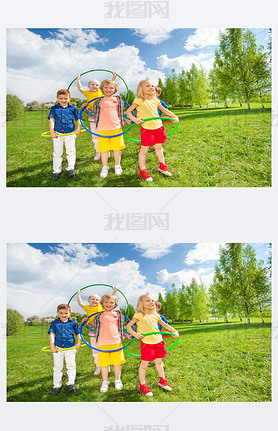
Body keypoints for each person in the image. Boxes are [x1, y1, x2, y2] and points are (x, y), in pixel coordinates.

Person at [125, 79, 179, 182]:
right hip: (147, 129)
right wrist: (135, 120)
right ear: (141, 89)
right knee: (144, 151)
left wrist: (174, 116)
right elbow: (128, 112)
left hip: (159, 127)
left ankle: (162, 166)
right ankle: (143, 171)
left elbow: (164, 110)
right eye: (147, 86)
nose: (151, 87)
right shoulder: (139, 100)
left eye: (152, 86)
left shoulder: (156, 100)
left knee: (158, 148)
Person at [125, 294, 179, 397]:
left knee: (159, 362)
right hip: (147, 344)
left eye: (152, 300)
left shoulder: (156, 315)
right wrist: (135, 334)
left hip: (159, 342)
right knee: (144, 365)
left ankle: (162, 381)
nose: (151, 302)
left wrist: (174, 331)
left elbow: (165, 325)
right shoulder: (139, 315)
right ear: (141, 304)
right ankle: (143, 385)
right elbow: (128, 326)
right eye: (148, 300)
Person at [85, 79, 132, 179]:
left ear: (115, 89)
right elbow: (94, 114)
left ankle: (117, 165)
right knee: (104, 149)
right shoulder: (98, 101)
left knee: (117, 148)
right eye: (106, 87)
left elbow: (122, 113)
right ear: (102, 89)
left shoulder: (118, 100)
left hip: (116, 128)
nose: (108, 89)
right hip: (102, 129)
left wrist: (127, 120)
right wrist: (85, 109)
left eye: (111, 87)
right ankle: (105, 166)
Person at [85, 292, 132, 393]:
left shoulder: (118, 315)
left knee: (117, 363)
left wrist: (127, 335)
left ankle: (117, 380)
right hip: (102, 344)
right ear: (102, 304)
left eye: (111, 302)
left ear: (115, 304)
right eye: (106, 302)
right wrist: (85, 323)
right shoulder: (98, 316)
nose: (109, 304)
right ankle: (105, 381)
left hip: (116, 342)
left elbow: (122, 328)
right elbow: (94, 327)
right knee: (104, 364)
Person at [77, 286, 116, 375]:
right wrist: (78, 294)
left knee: (105, 347)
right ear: (89, 300)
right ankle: (98, 366)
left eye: (97, 300)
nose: (95, 301)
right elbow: (80, 303)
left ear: (100, 302)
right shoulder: (87, 307)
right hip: (92, 330)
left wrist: (113, 292)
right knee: (95, 349)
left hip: (102, 330)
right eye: (93, 299)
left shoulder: (101, 307)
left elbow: (110, 300)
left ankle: (106, 365)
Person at [77, 72, 116, 161]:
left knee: (104, 133)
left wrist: (113, 77)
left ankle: (106, 150)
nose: (94, 86)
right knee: (95, 134)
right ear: (88, 85)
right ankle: (98, 151)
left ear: (100, 87)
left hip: (102, 115)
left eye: (97, 85)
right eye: (92, 84)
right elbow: (80, 88)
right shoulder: (87, 93)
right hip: (92, 115)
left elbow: (109, 85)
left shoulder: (101, 92)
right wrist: (78, 79)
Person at [48, 303, 81, 395]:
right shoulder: (54, 323)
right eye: (61, 313)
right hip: (58, 348)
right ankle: (57, 385)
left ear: (70, 313)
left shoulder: (73, 323)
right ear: (57, 313)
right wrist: (52, 346)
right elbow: (52, 334)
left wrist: (79, 343)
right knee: (57, 367)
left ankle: (70, 383)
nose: (63, 315)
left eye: (66, 313)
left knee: (71, 366)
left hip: (70, 347)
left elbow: (78, 333)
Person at [48, 89, 81, 180]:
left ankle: (70, 168)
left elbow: (78, 119)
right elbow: (52, 119)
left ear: (69, 98)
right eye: (61, 98)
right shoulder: (54, 108)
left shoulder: (73, 108)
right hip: (58, 134)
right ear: (57, 98)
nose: (63, 100)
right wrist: (52, 131)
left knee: (71, 151)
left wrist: (78, 128)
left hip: (70, 133)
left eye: (66, 98)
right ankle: (56, 171)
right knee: (57, 152)